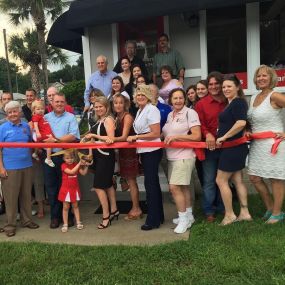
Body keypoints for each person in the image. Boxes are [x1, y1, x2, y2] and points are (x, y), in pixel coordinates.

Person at [247, 65, 285, 224]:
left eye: (264, 76)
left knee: (276, 179)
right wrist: (247, 130)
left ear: (271, 78)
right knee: (254, 177)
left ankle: (277, 213)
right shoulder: (253, 97)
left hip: (273, 144)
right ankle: (270, 208)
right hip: (257, 144)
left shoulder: (275, 95)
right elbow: (251, 120)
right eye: (258, 76)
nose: (261, 78)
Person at [162, 88, 201, 233]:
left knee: (174, 188)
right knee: (183, 187)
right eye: (175, 98)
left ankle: (183, 220)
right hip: (172, 156)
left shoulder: (190, 112)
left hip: (184, 156)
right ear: (170, 100)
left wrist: (177, 137)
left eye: (180, 98)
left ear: (184, 99)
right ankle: (189, 215)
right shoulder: (170, 115)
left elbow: (197, 136)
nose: (178, 101)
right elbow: (168, 133)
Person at [215, 74, 252, 225]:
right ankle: (245, 213)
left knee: (220, 180)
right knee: (237, 180)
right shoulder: (232, 103)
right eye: (224, 87)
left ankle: (229, 214)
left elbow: (241, 122)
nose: (225, 89)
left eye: (229, 86)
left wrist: (223, 137)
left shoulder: (237, 102)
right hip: (235, 147)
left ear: (237, 87)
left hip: (232, 148)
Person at [127, 84, 164, 231]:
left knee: (151, 185)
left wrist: (136, 137)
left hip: (152, 150)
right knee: (151, 184)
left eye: (143, 94)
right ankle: (158, 216)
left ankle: (153, 220)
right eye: (138, 94)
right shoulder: (140, 110)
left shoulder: (152, 109)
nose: (140, 96)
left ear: (148, 96)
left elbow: (155, 133)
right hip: (144, 151)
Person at [0, 101, 39, 237]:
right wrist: (1, 168)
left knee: (26, 195)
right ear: (7, 114)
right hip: (10, 168)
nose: (13, 114)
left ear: (19, 112)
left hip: (27, 166)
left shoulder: (26, 127)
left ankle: (27, 220)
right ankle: (10, 225)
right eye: (10, 112)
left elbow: (30, 142)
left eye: (15, 111)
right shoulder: (2, 128)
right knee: (11, 199)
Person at [43, 92, 80, 229]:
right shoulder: (45, 117)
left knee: (66, 188)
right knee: (51, 188)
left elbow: (73, 136)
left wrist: (56, 140)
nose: (59, 104)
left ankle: (69, 217)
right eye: (56, 101)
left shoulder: (71, 117)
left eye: (61, 102)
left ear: (65, 103)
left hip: (66, 157)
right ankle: (55, 217)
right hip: (49, 157)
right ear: (51, 103)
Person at [195, 71, 227, 222]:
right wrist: (207, 134)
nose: (214, 87)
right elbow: (199, 124)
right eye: (211, 84)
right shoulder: (201, 104)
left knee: (224, 179)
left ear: (221, 84)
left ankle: (223, 207)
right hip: (210, 148)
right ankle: (209, 210)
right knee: (209, 180)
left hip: (228, 147)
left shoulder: (229, 100)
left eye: (216, 83)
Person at [84, 96, 118, 229]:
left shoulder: (109, 119)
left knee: (98, 186)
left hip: (106, 157)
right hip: (98, 156)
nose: (98, 109)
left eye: (100, 106)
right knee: (108, 184)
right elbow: (93, 141)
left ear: (106, 107)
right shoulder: (98, 120)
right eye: (96, 107)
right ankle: (114, 210)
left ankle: (106, 215)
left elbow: (111, 138)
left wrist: (94, 136)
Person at [111, 94, 143, 219]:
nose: (118, 105)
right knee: (128, 180)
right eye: (116, 103)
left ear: (125, 104)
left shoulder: (127, 117)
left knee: (131, 181)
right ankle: (135, 208)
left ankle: (136, 209)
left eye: (120, 103)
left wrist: (108, 139)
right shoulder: (116, 117)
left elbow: (124, 137)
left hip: (130, 152)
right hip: (122, 153)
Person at [58, 149, 89, 233]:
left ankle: (78, 222)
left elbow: (83, 173)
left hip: (74, 189)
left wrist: (86, 165)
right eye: (67, 158)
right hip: (66, 189)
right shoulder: (63, 165)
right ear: (64, 159)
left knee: (75, 206)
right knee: (65, 207)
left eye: (71, 157)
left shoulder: (75, 164)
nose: (70, 159)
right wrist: (79, 163)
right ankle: (65, 224)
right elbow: (71, 172)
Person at [31, 100, 55, 167]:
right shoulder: (36, 116)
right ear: (34, 110)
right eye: (38, 109)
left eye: (42, 109)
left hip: (44, 133)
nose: (40, 110)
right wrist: (38, 133)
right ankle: (48, 159)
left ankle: (35, 153)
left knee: (39, 144)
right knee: (50, 143)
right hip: (42, 134)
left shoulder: (42, 117)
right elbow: (35, 125)